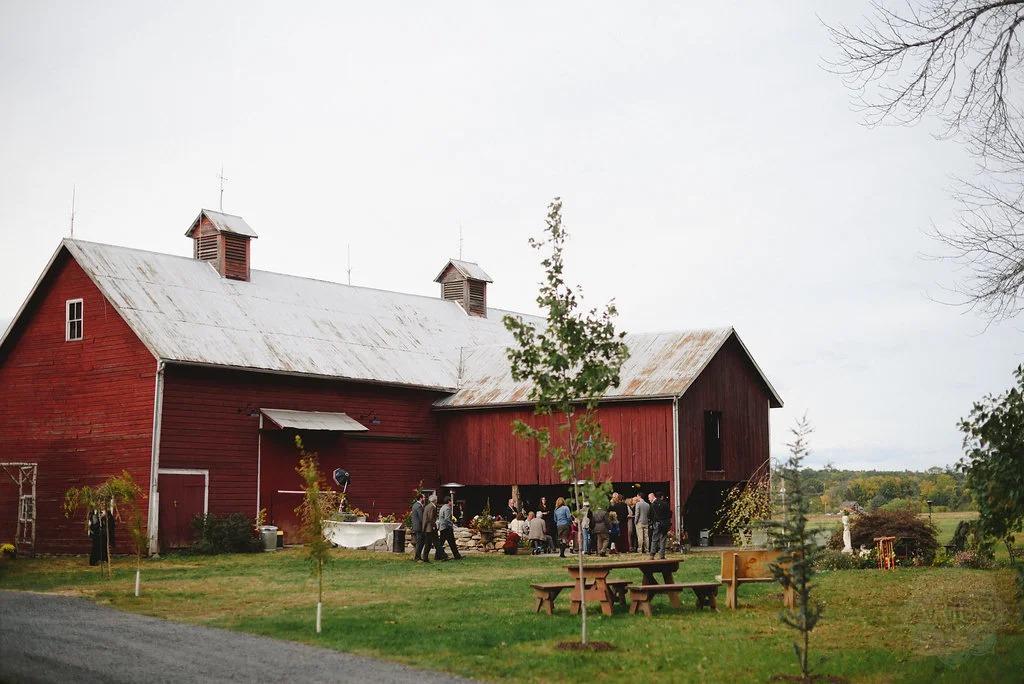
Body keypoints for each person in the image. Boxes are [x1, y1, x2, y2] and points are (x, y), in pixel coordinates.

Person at [436, 495, 462, 561]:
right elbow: (447, 519)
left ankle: (437, 556)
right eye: (451, 501)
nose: (452, 502)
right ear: (448, 501)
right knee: (452, 543)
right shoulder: (447, 508)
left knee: (441, 542)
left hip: (442, 528)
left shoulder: (442, 507)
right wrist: (453, 525)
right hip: (447, 528)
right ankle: (457, 556)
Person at [649, 491, 671, 560]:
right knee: (663, 539)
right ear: (662, 497)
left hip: (657, 523)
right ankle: (662, 555)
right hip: (664, 523)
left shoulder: (653, 504)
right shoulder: (665, 504)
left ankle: (652, 554)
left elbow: (650, 515)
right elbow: (669, 514)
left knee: (654, 539)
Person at [420, 494, 439, 562]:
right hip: (430, 528)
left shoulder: (428, 506)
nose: (437, 500)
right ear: (434, 500)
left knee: (431, 543)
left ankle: (441, 555)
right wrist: (434, 526)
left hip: (428, 528)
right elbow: (430, 518)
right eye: (436, 499)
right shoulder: (432, 507)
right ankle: (425, 558)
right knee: (429, 544)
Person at [410, 493, 426, 562]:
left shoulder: (415, 505)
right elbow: (421, 518)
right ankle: (417, 557)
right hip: (419, 527)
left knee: (420, 542)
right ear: (421, 498)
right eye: (424, 497)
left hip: (416, 526)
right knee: (420, 542)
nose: (425, 499)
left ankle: (417, 556)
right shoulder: (419, 506)